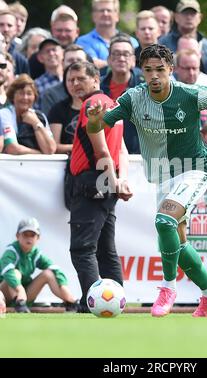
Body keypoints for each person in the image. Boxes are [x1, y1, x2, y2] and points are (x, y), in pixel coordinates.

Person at [85, 44, 207, 317]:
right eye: (148, 70)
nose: (154, 76)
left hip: (195, 167)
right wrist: (93, 121)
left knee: (164, 221)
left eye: (160, 69)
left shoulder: (189, 93)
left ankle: (167, 288)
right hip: (162, 174)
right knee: (176, 241)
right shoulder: (133, 98)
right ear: (142, 72)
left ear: (171, 70)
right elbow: (98, 127)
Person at [68, 61, 132, 312]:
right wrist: (120, 179)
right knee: (106, 250)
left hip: (92, 181)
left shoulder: (90, 105)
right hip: (107, 179)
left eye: (80, 79)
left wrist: (113, 180)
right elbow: (123, 149)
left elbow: (101, 148)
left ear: (96, 80)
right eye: (71, 80)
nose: (75, 84)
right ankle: (117, 303)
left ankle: (92, 304)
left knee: (83, 249)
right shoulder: (113, 104)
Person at [0, 218, 78, 313]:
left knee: (48, 274)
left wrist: (63, 286)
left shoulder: (36, 254)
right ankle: (19, 303)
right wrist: (20, 289)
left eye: (32, 235)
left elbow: (55, 268)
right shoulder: (11, 251)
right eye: (25, 234)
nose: (29, 238)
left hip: (24, 295)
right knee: (15, 273)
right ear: (17, 236)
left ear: (38, 238)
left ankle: (70, 302)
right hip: (4, 294)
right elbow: (8, 272)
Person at [0, 74, 56, 155]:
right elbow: (12, 148)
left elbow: (51, 149)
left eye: (29, 93)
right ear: (13, 96)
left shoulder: (40, 116)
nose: (25, 97)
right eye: (21, 93)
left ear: (34, 97)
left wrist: (36, 123)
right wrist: (40, 154)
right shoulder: (4, 113)